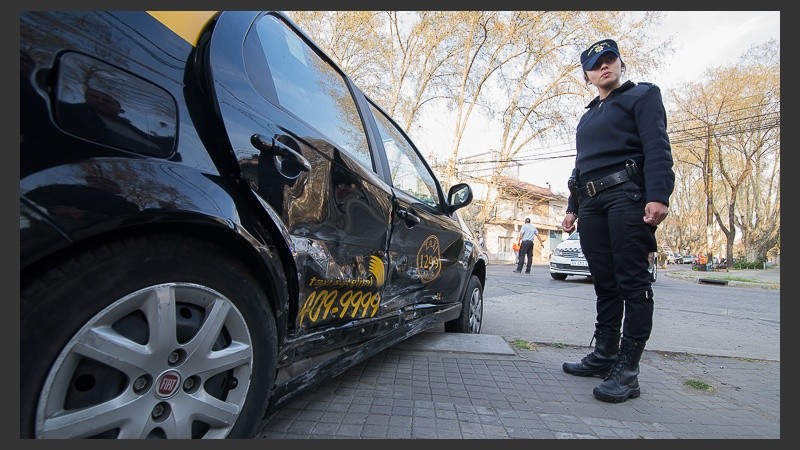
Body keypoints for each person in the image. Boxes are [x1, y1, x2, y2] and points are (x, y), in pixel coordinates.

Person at [560, 39, 675, 403]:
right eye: (596, 64)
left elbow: (657, 146)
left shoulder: (641, 96)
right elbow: (580, 166)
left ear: (620, 63)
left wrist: (658, 195)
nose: (604, 67)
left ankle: (627, 371)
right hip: (591, 203)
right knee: (604, 282)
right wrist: (572, 206)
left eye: (610, 60)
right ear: (587, 75)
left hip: (627, 196)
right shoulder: (588, 115)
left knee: (631, 280)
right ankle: (605, 354)